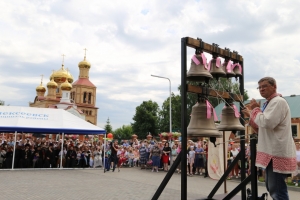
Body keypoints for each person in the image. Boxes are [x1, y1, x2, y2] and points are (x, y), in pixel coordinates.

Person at [245, 77, 297, 199]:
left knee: (277, 191)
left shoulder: (278, 101)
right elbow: (263, 127)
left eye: (264, 86)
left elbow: (268, 122)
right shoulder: (270, 103)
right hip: (272, 152)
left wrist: (255, 110)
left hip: (276, 152)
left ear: (274, 86)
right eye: (259, 87)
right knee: (272, 187)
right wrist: (251, 115)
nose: (261, 89)